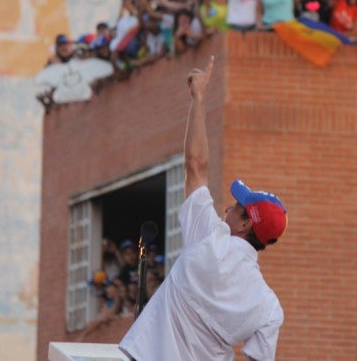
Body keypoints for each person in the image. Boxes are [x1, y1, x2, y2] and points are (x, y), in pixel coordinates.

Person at [120, 56, 288, 361]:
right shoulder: (268, 307)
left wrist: (198, 99)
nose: (227, 209)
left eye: (236, 207)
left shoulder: (211, 239)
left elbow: (195, 165)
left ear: (245, 225)